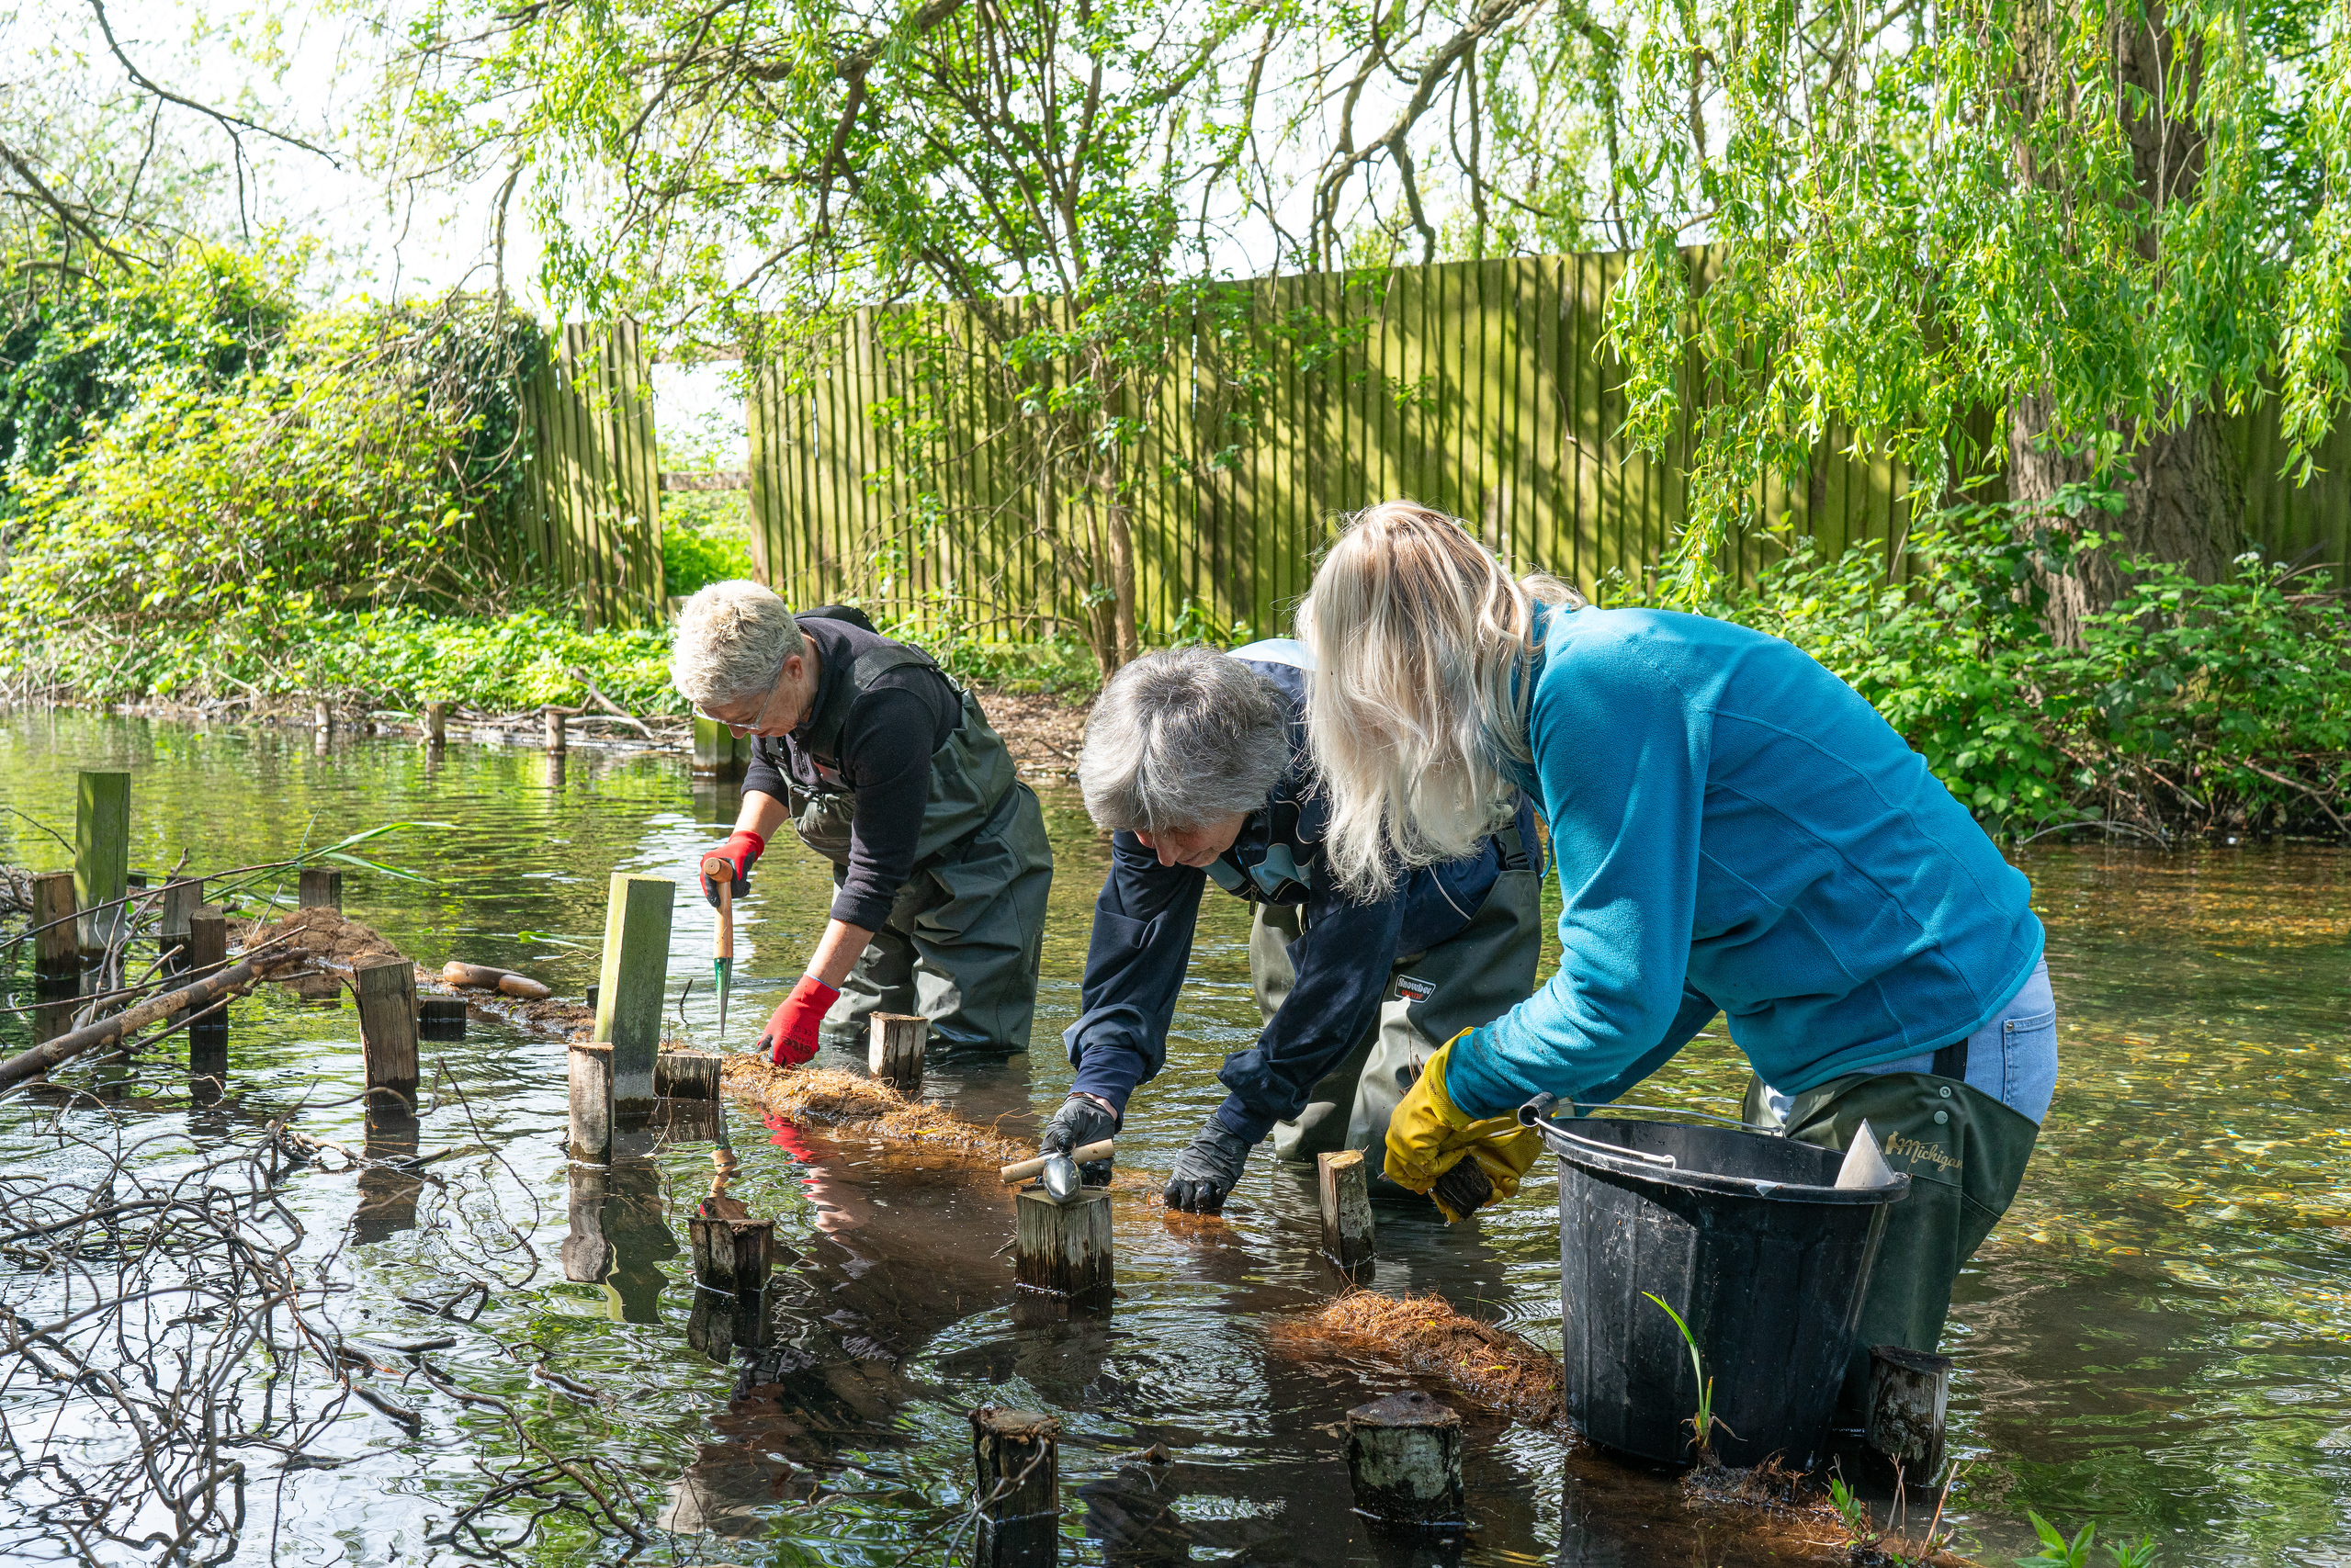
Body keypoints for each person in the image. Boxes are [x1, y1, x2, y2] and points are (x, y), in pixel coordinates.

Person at [1297, 501, 2055, 1403]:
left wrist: (1462, 1080)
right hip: (1861, 1045)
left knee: (1824, 1408)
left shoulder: (1590, 690)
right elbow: (1686, 963)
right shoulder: (1563, 687)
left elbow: (1617, 996)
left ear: (1398, 679)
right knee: (1745, 1390)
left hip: (1934, 1046)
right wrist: (1554, 1096)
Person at [1039, 640, 1543, 1213]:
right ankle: (1298, 1275)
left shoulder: (1343, 765)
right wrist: (1098, 1093)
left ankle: (1414, 1287)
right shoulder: (1155, 793)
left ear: (1242, 790)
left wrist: (1233, 1124)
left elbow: (1343, 976)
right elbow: (1136, 948)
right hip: (1310, 879)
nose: (1162, 856)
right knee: (1306, 1137)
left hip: (1456, 894)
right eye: (1144, 833)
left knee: (1402, 1152)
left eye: (1179, 832)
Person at [670, 582, 1054, 1063]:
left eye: (746, 719)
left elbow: (875, 874)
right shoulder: (777, 662)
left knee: (958, 1053)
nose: (739, 733)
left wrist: (807, 997)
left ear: (793, 670)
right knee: (847, 1036)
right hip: (881, 868)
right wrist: (743, 841)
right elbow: (771, 763)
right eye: (725, 722)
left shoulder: (887, 704)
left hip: (978, 872)